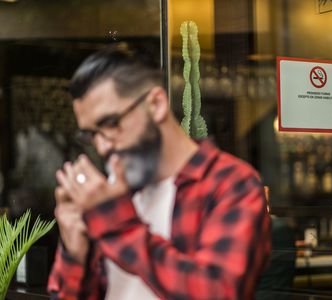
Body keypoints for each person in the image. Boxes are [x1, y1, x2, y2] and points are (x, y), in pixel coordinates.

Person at [47, 47, 271, 300]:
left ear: (156, 104)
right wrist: (75, 253)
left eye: (110, 123)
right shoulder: (112, 191)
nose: (102, 146)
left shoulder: (230, 183)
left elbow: (219, 292)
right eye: (90, 134)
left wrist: (115, 224)